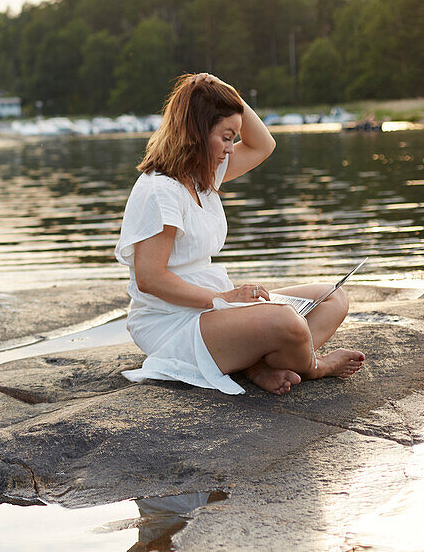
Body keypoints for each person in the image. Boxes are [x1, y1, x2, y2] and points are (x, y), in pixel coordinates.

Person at [115, 73, 364, 395]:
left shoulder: (202, 173)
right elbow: (151, 279)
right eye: (226, 137)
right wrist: (224, 298)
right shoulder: (160, 190)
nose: (232, 148)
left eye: (234, 137)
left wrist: (225, 92)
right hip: (173, 322)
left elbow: (264, 144)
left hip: (214, 309)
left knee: (332, 297)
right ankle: (316, 365)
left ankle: (256, 364)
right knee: (287, 322)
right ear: (196, 133)